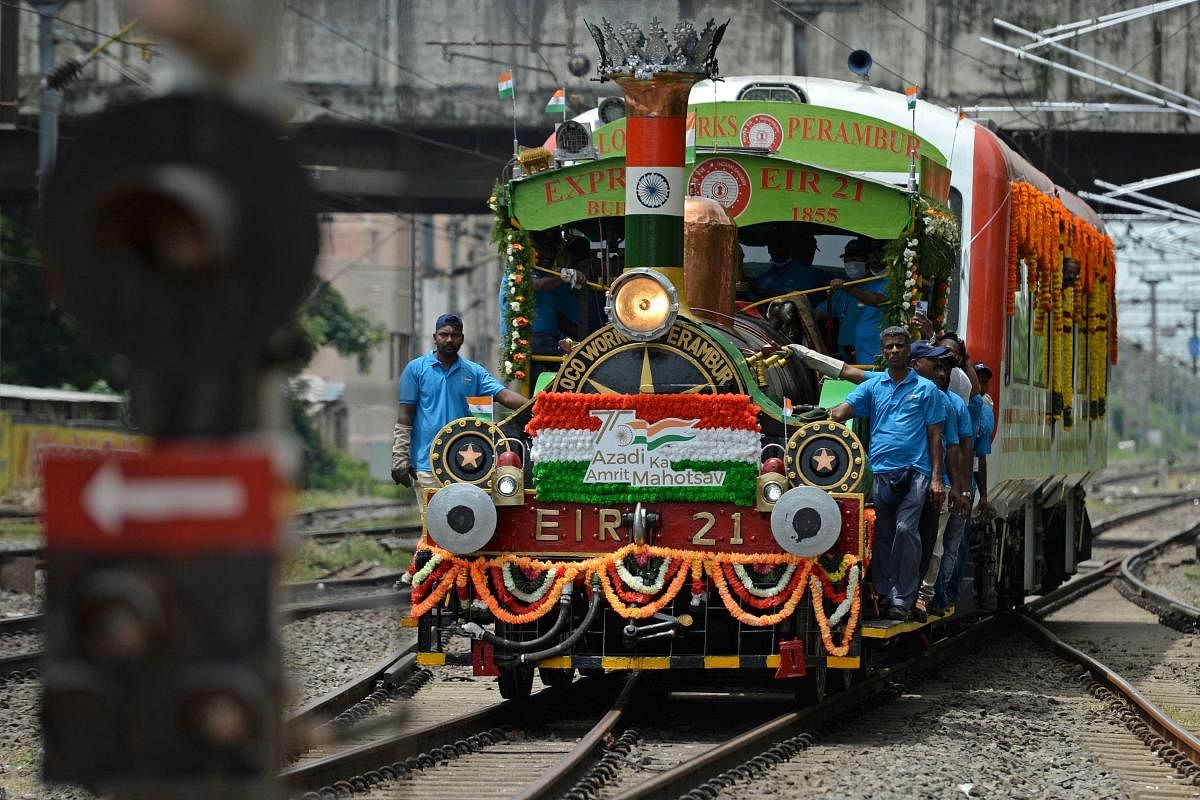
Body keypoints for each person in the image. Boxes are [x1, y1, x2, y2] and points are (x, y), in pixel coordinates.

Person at [829, 328, 946, 621]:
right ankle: (882, 593)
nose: (894, 351)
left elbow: (935, 436)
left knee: (906, 531)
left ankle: (902, 599)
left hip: (916, 472)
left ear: (909, 351)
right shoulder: (873, 386)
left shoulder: (926, 389)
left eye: (899, 346)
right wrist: (827, 412)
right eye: (889, 347)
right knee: (881, 535)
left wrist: (935, 478)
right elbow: (843, 411)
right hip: (880, 472)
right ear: (884, 352)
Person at [392, 313, 528, 508]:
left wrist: (541, 407)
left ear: (462, 338)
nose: (449, 339)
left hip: (466, 465)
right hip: (426, 464)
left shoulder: (474, 372)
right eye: (443, 334)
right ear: (435, 337)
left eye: (455, 335)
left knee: (463, 524)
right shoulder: (415, 370)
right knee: (432, 527)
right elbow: (406, 414)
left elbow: (504, 396)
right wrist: (399, 456)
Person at [828, 238, 888, 365]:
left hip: (876, 350)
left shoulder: (893, 281)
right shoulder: (863, 282)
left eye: (879, 252)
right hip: (855, 349)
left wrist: (847, 287)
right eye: (871, 253)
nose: (874, 257)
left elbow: (878, 300)